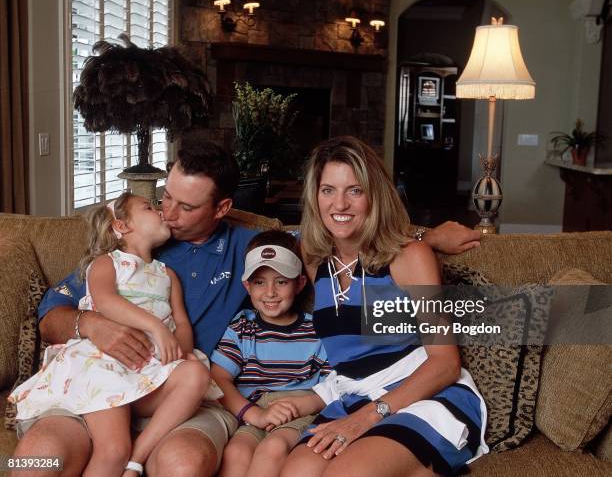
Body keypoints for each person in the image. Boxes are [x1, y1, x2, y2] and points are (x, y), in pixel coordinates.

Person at [12, 141, 481, 477]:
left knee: (181, 465)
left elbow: (355, 239)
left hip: (184, 398)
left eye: (186, 206)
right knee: (36, 462)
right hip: (96, 390)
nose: (169, 215)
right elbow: (51, 314)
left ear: (223, 209)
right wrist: (89, 323)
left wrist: (425, 238)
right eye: (163, 200)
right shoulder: (125, 255)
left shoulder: (253, 247)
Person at [279, 136, 489, 477]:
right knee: (295, 473)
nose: (340, 204)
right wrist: (430, 234)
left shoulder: (409, 258)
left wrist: (367, 417)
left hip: (422, 394)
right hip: (354, 396)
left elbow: (446, 363)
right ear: (314, 197)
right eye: (328, 190)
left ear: (374, 196)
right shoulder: (312, 256)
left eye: (355, 191)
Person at [9, 193, 211, 477]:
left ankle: (137, 459)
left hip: (147, 370)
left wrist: (182, 351)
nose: (160, 211)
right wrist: (155, 327)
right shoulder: (107, 263)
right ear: (122, 226)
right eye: (148, 207)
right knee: (113, 451)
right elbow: (105, 302)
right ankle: (123, 458)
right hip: (105, 364)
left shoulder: (167, 274)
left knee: (196, 374)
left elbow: (182, 321)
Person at [210, 230, 329, 477]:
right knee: (237, 452)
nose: (270, 292)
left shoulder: (317, 329)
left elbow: (336, 384)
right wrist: (256, 415)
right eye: (259, 282)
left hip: (300, 408)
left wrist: (303, 405)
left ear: (299, 284)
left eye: (281, 281)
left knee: (273, 448)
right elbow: (218, 379)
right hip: (255, 411)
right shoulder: (242, 327)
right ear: (247, 286)